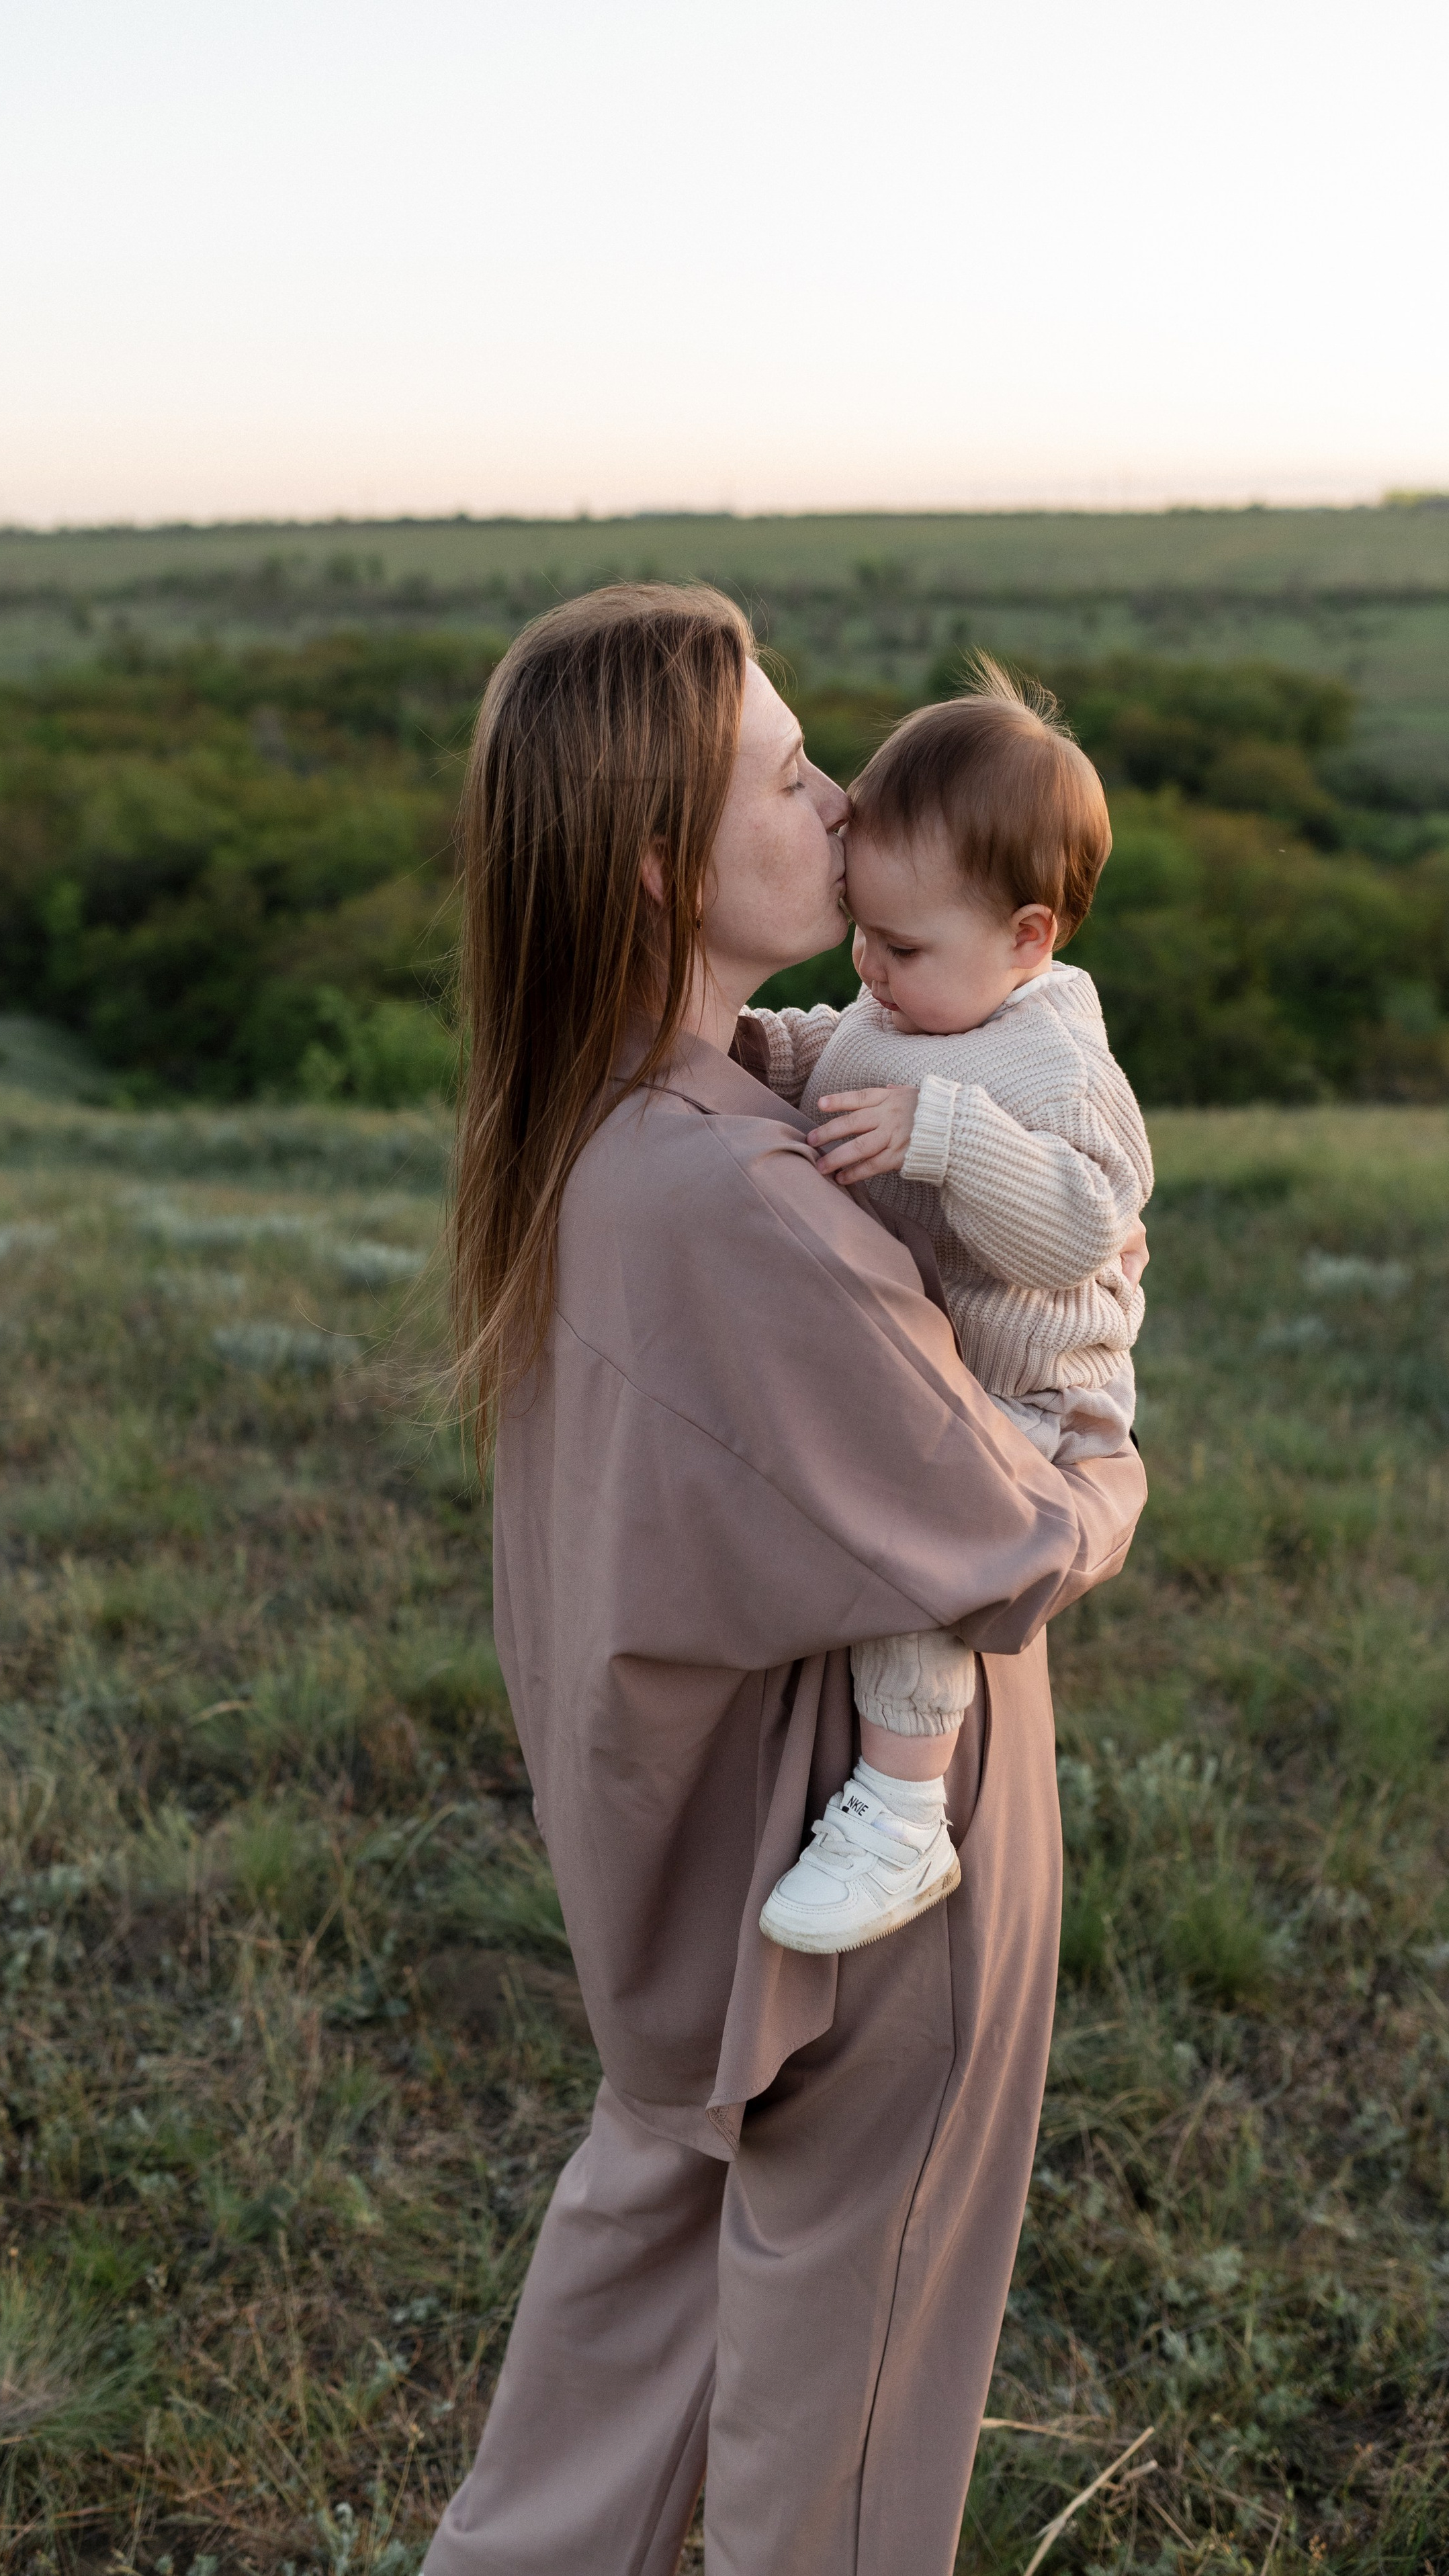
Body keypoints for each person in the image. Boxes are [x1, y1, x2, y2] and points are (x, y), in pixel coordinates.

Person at [427, 584, 1147, 2576]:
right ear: (666, 858)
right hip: (858, 1871)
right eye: (789, 771)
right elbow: (997, 1529)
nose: (843, 801)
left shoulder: (605, 1113)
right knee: (840, 2431)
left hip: (689, 1865)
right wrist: (1110, 1450)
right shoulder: (738, 1188)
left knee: (619, 2377)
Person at [752, 662, 1153, 1957]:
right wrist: (758, 1047)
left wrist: (952, 1136)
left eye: (901, 946)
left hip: (1035, 1385)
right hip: (948, 1360)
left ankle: (904, 1810)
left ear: (1029, 937)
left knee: (931, 1560)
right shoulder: (910, 998)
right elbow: (846, 1051)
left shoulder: (1055, 1064)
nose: (869, 967)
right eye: (862, 934)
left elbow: (1082, 1230)